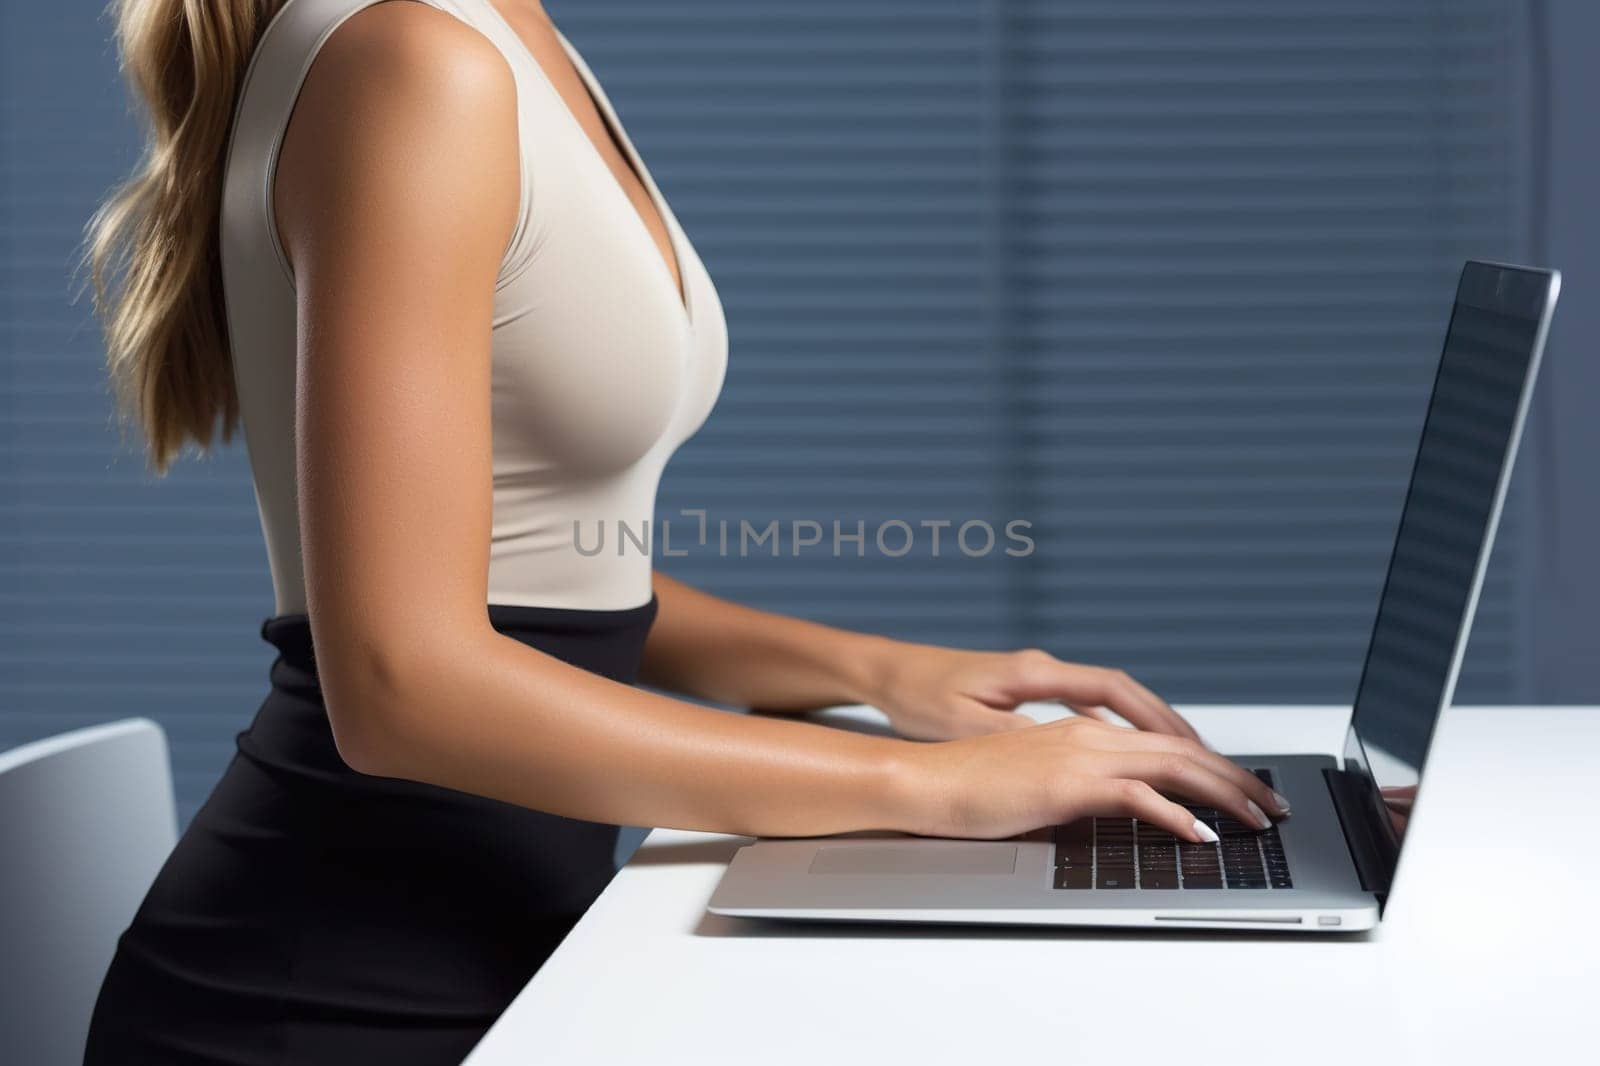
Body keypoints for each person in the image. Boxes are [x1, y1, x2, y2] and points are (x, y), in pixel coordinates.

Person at [81, 1, 1289, 1062]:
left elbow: (543, 564)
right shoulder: (416, 61)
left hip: (501, 955)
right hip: (329, 1003)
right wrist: (934, 785)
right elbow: (402, 683)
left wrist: (881, 672)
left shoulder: (503, 37)